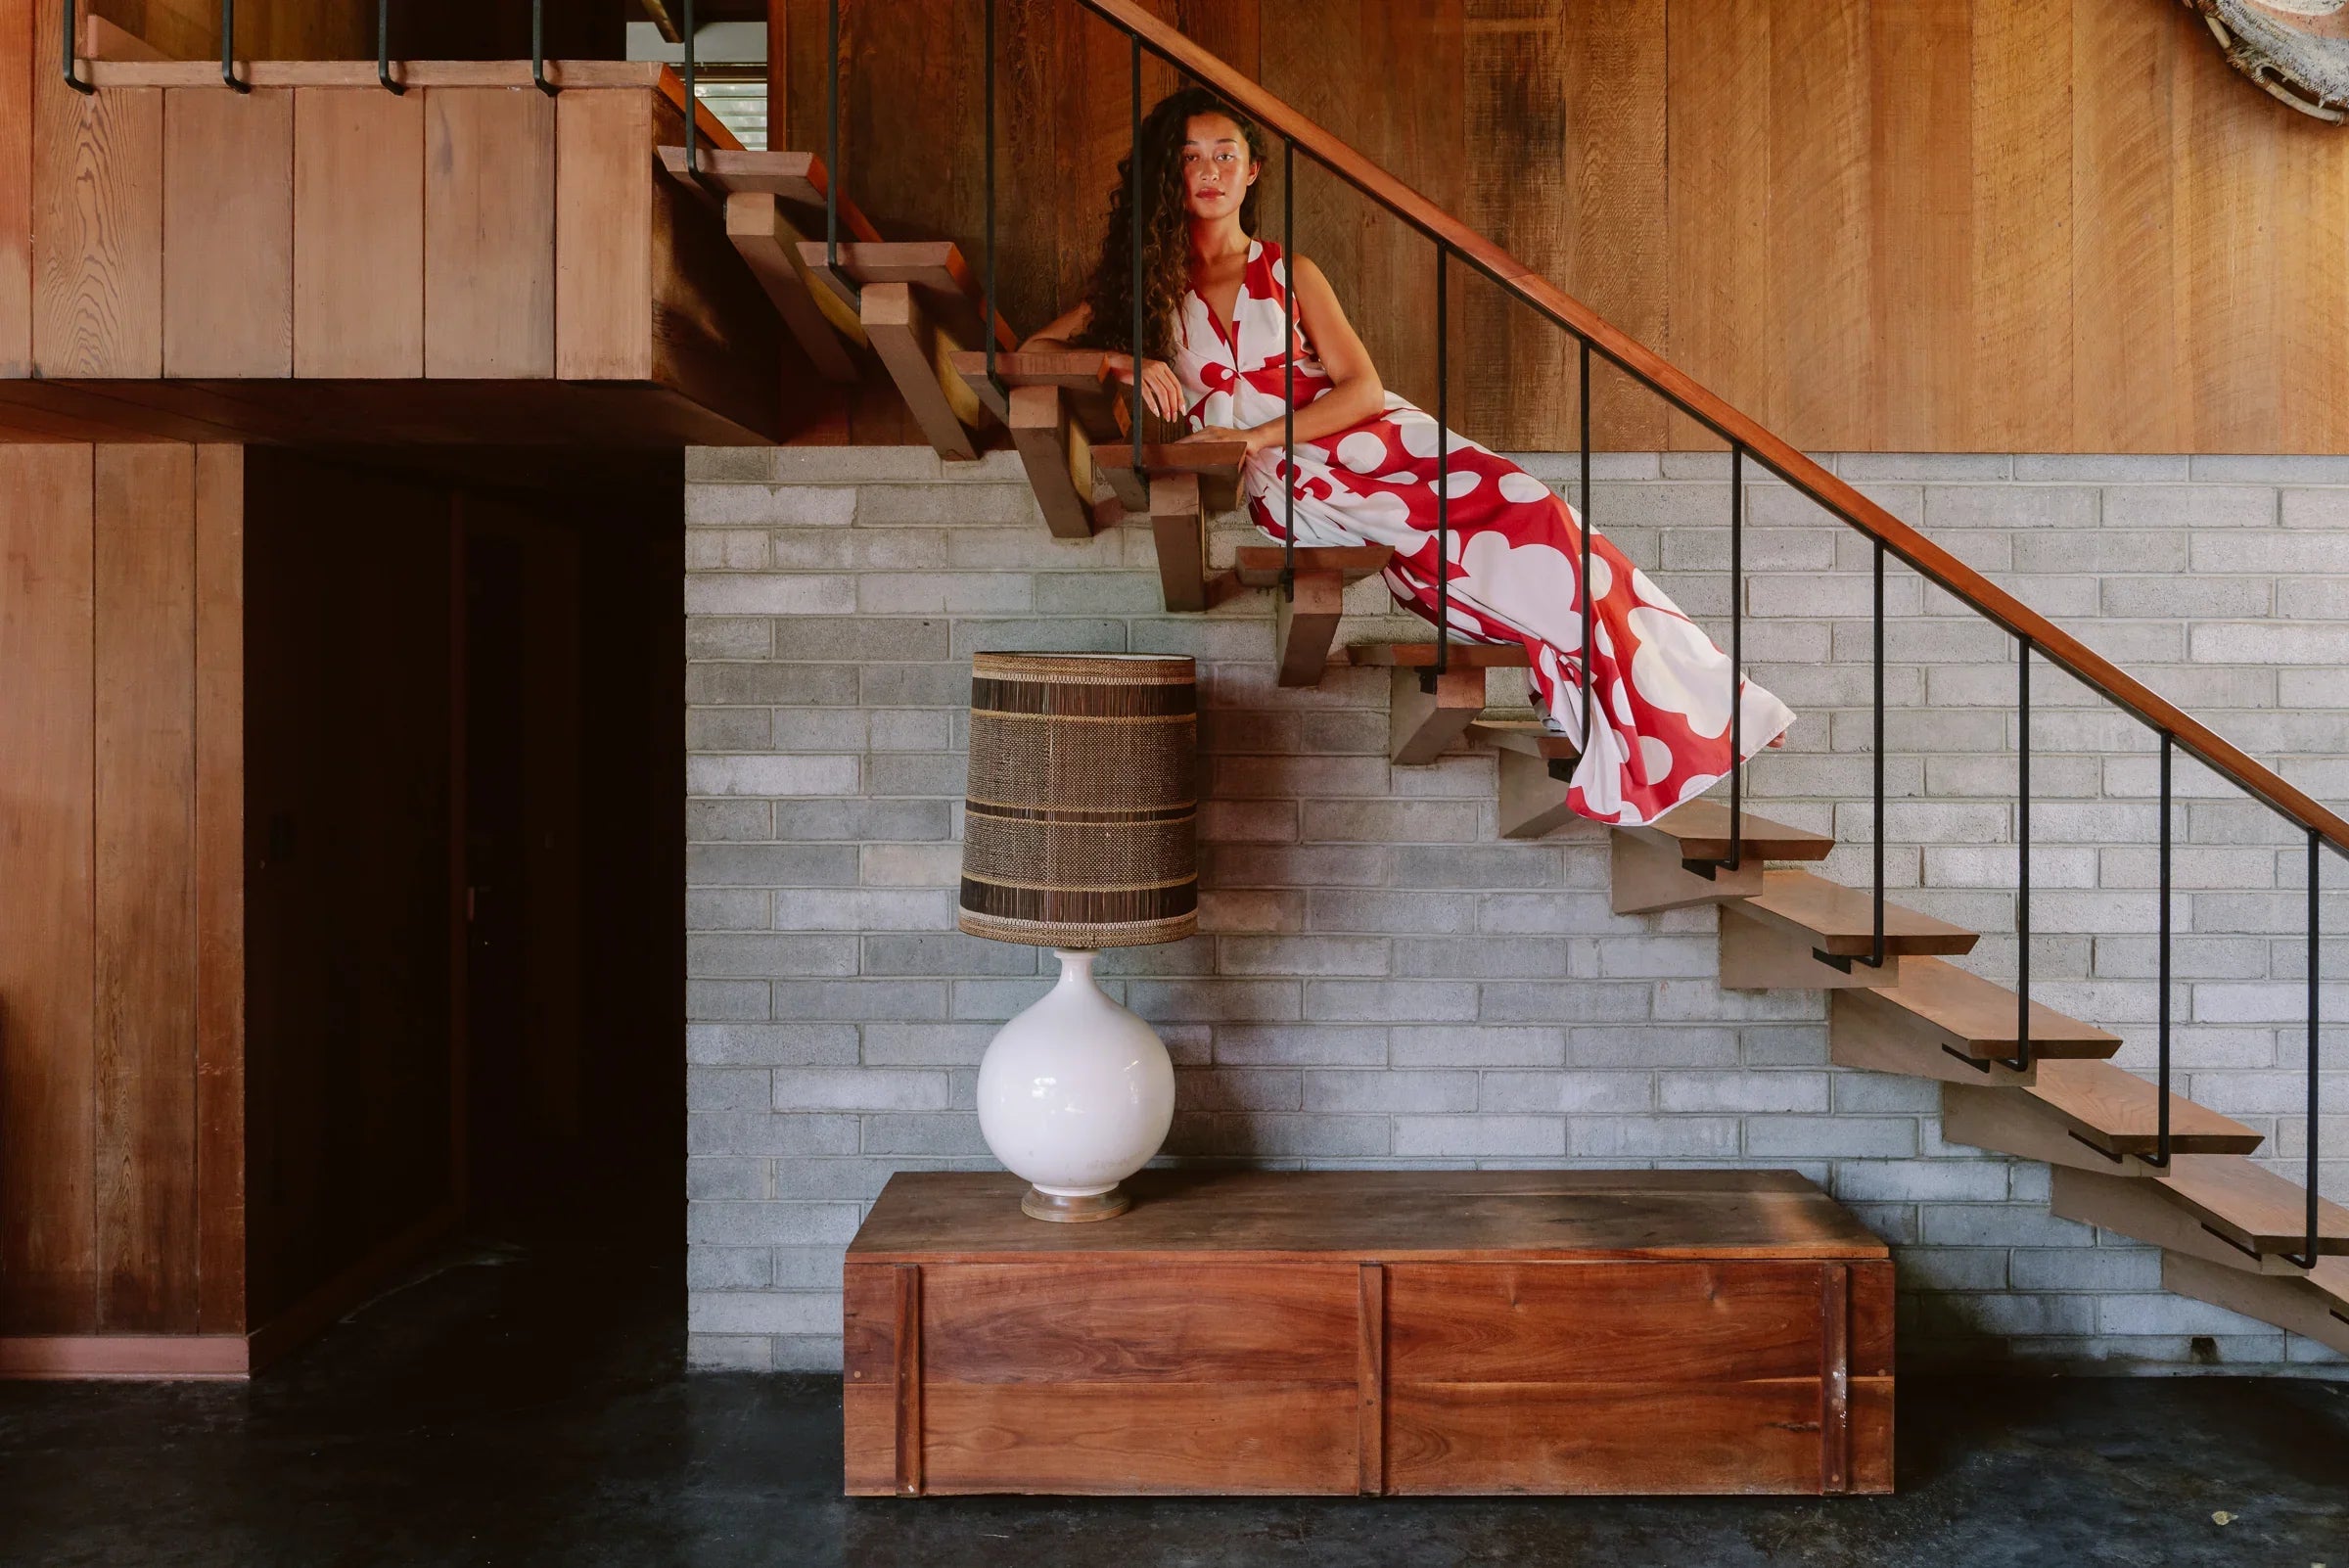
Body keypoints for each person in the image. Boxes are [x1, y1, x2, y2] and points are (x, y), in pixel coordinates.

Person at [1021, 87, 1793, 827]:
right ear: (1171, 172)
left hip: (1385, 441)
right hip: (1300, 482)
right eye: (1194, 157)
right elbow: (1032, 352)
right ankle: (1635, 717)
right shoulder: (1145, 290)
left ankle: (1699, 701)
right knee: (1493, 565)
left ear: (1253, 171)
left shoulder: (1292, 273)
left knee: (1547, 517)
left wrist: (1250, 436)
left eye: (1228, 154)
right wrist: (1123, 361)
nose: (1213, 172)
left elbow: (1362, 389)